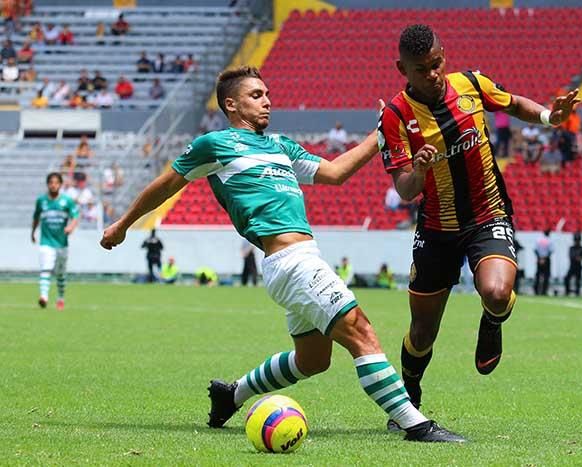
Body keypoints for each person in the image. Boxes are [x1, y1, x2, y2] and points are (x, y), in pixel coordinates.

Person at [99, 65, 462, 443]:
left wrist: (379, 134)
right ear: (231, 105)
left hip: (298, 260)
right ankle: (414, 424)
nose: (267, 100)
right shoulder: (215, 144)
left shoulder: (281, 146)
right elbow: (165, 185)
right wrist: (123, 224)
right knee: (361, 331)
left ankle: (232, 394)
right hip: (292, 263)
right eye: (256, 95)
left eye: (267, 93)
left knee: (313, 361)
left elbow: (336, 173)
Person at [377, 24, 579, 421]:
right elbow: (403, 187)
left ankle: (492, 321)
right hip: (436, 229)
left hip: (488, 215)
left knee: (498, 292)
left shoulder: (471, 84)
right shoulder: (395, 115)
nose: (432, 74)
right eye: (422, 69)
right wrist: (418, 171)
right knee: (422, 334)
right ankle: (410, 394)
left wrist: (547, 116)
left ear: (444, 55)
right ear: (402, 68)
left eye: (436, 63)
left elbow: (513, 103)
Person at [31, 172, 80, 310]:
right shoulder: (41, 201)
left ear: (60, 184)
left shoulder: (67, 201)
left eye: (56, 183)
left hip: (62, 243)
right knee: (45, 269)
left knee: (60, 273)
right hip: (46, 242)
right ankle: (44, 296)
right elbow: (36, 217)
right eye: (51, 182)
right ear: (47, 184)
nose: (53, 185)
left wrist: (71, 226)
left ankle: (60, 297)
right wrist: (33, 232)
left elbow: (76, 215)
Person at [564, 232, 582, 296]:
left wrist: (581, 258)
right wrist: (576, 258)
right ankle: (567, 291)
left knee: (577, 280)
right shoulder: (572, 248)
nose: (577, 242)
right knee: (567, 278)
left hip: (579, 266)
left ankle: (577, 293)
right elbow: (571, 256)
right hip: (572, 266)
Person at [534, 229, 553, 295]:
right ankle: (544, 291)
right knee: (546, 276)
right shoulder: (549, 240)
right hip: (546, 259)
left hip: (539, 259)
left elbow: (535, 250)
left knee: (538, 275)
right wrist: (544, 259)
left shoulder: (538, 240)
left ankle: (536, 290)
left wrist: (540, 258)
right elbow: (551, 251)